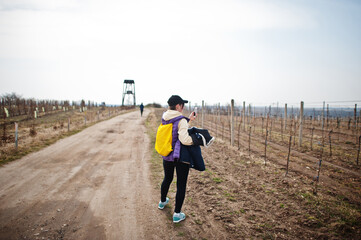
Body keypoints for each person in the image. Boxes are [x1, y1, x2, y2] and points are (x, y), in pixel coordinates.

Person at [158, 95, 196, 223]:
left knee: (167, 178)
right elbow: (184, 139)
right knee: (181, 184)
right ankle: (177, 214)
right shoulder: (181, 120)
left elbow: (175, 128)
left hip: (167, 154)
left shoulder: (164, 116)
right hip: (181, 157)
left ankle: (162, 201)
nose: (183, 108)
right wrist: (195, 141)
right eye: (182, 105)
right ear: (178, 106)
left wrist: (188, 120)